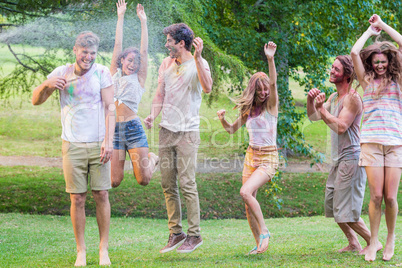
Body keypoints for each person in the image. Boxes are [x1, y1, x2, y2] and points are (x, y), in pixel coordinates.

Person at [32, 31, 115, 266]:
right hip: (72, 144)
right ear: (75, 50)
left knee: (102, 194)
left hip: (99, 143)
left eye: (92, 53)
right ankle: (81, 251)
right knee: (77, 198)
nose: (88, 57)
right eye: (84, 52)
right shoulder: (61, 73)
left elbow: (110, 108)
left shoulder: (102, 73)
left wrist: (108, 141)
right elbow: (36, 100)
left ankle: (103, 249)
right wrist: (47, 84)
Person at [144, 23, 212, 253]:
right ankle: (176, 233)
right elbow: (160, 93)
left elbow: (208, 87)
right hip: (166, 131)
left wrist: (200, 57)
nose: (166, 45)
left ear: (181, 43)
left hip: (188, 132)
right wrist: (153, 115)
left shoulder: (199, 64)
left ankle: (195, 235)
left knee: (187, 183)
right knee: (167, 183)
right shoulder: (166, 64)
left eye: (169, 41)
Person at [307, 55, 374, 255]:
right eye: (332, 68)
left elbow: (341, 127)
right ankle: (353, 243)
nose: (332, 71)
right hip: (338, 161)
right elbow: (313, 117)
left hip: (352, 159)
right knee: (333, 207)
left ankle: (373, 241)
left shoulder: (352, 98)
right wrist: (312, 102)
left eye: (336, 69)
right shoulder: (334, 97)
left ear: (347, 75)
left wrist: (322, 110)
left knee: (347, 210)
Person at [216, 42, 278, 255]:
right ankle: (259, 244)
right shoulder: (249, 110)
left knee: (245, 191)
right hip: (251, 156)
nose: (263, 92)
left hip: (269, 157)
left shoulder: (272, 106)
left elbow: (275, 82)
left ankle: (265, 232)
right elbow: (232, 130)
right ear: (254, 90)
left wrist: (270, 59)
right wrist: (223, 120)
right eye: (259, 89)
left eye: (265, 88)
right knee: (247, 203)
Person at [351, 14, 402, 262]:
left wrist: (383, 26)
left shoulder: (398, 80)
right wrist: (370, 33)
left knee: (391, 196)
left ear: (389, 61)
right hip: (371, 142)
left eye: (383, 61)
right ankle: (373, 242)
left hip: (395, 143)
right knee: (376, 196)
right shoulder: (365, 80)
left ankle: (391, 238)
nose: (380, 65)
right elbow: (353, 52)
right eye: (376, 62)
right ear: (371, 63)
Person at [110, 0, 158, 188]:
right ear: (122, 60)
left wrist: (143, 22)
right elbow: (117, 43)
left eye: (136, 62)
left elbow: (144, 52)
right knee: (114, 181)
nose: (133, 64)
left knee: (143, 180)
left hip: (133, 129)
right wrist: (120, 16)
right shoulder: (114, 73)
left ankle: (152, 159)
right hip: (113, 130)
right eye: (130, 60)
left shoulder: (139, 79)